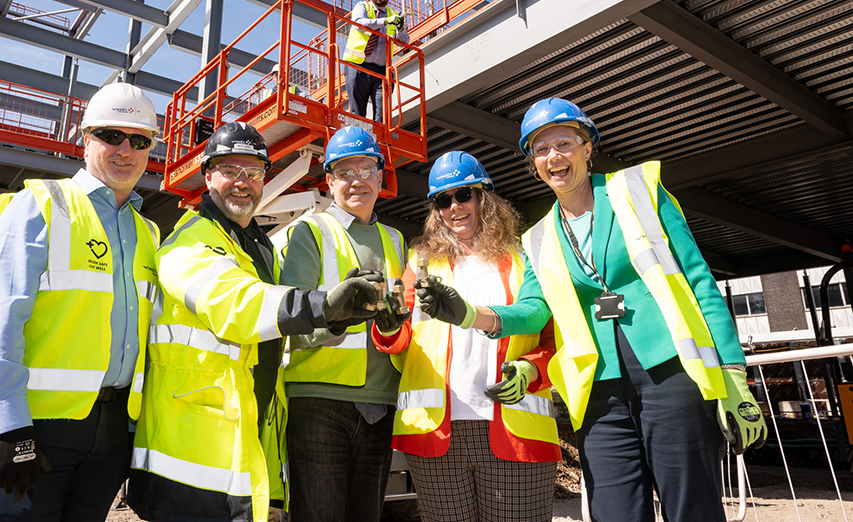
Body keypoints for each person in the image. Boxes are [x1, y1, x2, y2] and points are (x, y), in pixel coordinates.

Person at [418, 98, 767, 522]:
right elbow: (532, 309)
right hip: (597, 388)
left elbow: (698, 281)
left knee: (691, 507)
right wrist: (472, 314)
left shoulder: (641, 192)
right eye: (541, 150)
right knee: (614, 512)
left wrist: (732, 374)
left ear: (588, 148)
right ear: (533, 164)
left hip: (670, 370)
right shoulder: (540, 236)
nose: (554, 157)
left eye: (564, 142)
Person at [128, 122, 382, 522]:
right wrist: (322, 306)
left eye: (254, 172)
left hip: (235, 447)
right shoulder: (188, 243)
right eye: (230, 171)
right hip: (188, 456)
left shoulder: (259, 250)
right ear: (208, 175)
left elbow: (263, 361)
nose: (242, 183)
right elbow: (235, 304)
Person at [0, 82, 164, 521]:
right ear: (85, 138)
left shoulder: (149, 234)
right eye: (111, 135)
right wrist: (10, 423)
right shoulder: (40, 205)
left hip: (114, 430)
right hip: (37, 425)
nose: (125, 149)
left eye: (139, 140)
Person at [374, 151, 561, 522]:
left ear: (484, 198)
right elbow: (400, 341)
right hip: (435, 435)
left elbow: (553, 339)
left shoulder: (528, 258)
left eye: (464, 195)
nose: (454, 207)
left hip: (515, 430)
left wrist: (531, 369)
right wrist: (388, 326)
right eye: (443, 200)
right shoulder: (419, 263)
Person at [280, 126, 409, 522]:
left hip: (381, 403)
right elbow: (290, 317)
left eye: (367, 169)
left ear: (380, 176)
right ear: (330, 181)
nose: (357, 180)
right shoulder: (311, 231)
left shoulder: (396, 239)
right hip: (320, 402)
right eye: (345, 171)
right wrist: (335, 317)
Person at [341, 0, 410, 122]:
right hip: (357, 66)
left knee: (382, 117)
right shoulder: (362, 7)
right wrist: (385, 21)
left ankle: (379, 142)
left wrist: (400, 27)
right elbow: (359, 24)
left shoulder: (394, 14)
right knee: (358, 114)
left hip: (381, 70)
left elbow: (405, 41)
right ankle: (358, 141)